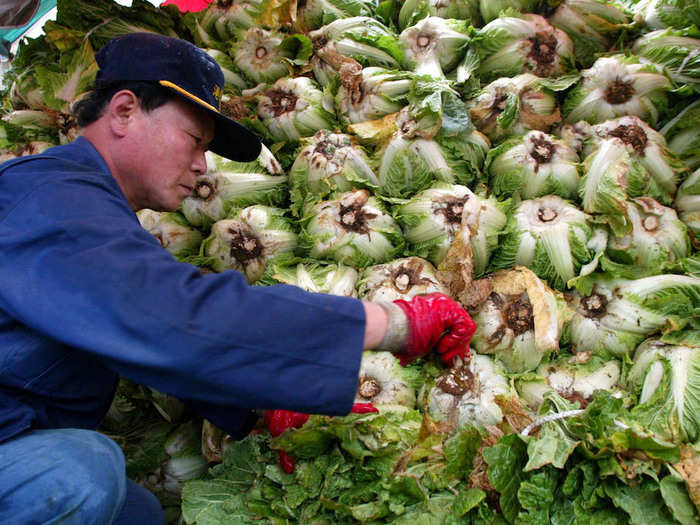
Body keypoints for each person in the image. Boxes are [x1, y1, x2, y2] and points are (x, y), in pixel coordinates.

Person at [0, 32, 476, 524]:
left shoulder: (89, 205)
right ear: (124, 111)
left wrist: (258, 411)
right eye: (194, 139)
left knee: (135, 512)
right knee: (81, 473)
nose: (202, 165)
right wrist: (393, 324)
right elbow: (172, 320)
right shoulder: (46, 197)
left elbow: (140, 340)